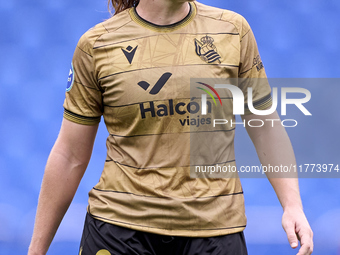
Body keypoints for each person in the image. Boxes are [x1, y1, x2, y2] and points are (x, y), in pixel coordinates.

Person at [28, 0, 313, 254]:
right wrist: (36, 251)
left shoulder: (233, 30)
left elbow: (264, 126)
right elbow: (70, 155)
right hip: (119, 229)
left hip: (214, 230)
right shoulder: (97, 44)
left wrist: (292, 205)